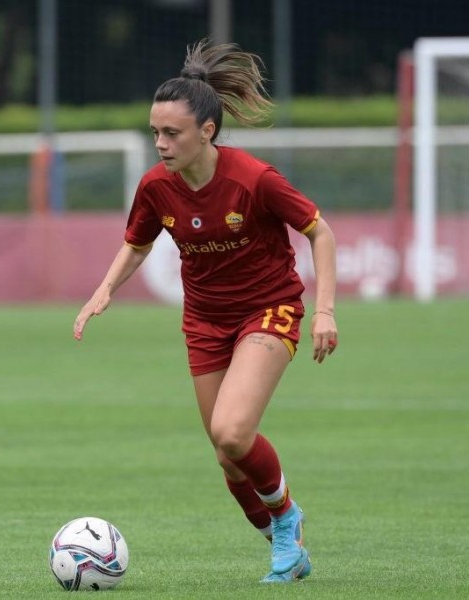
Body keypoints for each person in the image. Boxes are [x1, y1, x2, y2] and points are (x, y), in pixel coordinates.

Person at [73, 39, 338, 584]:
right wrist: (105, 289)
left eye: (171, 133)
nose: (160, 144)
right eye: (155, 133)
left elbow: (320, 231)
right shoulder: (155, 187)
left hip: (269, 310)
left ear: (207, 132)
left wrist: (326, 311)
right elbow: (138, 243)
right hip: (205, 323)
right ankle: (285, 547)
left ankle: (287, 521)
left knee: (234, 431)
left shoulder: (253, 179)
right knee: (226, 454)